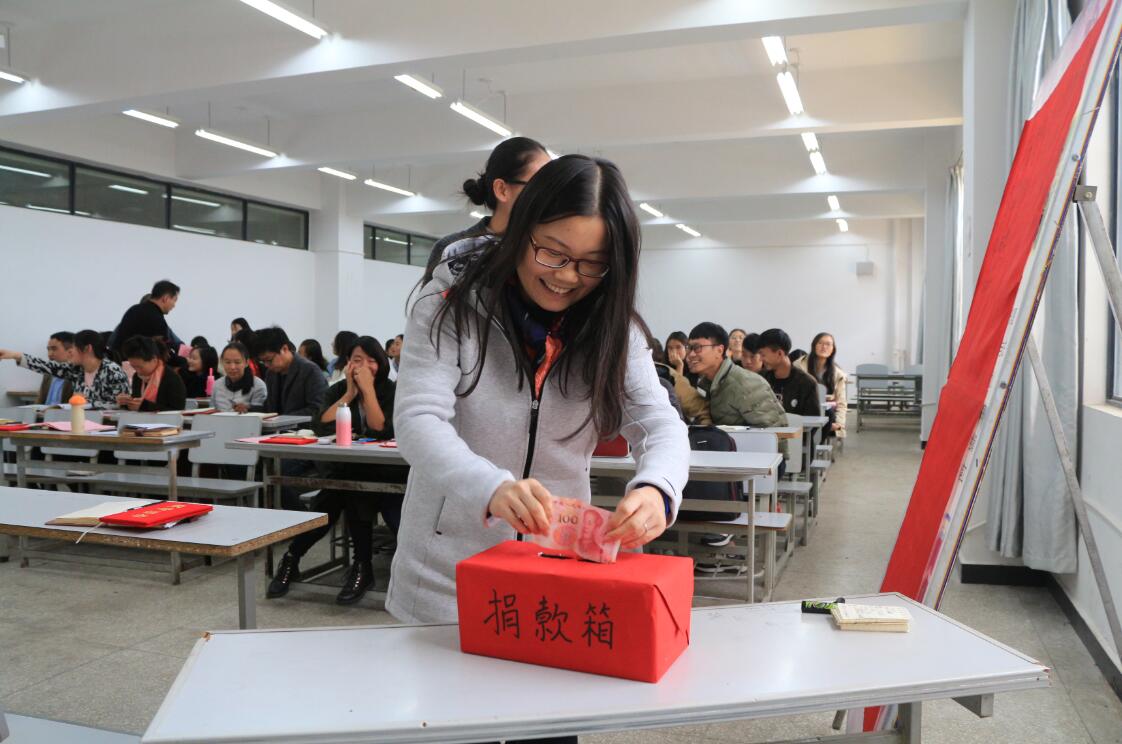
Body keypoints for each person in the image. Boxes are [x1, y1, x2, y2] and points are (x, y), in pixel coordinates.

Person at [388, 155, 689, 641]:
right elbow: (419, 421)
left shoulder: (614, 329)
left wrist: (657, 487)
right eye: (552, 253)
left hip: (560, 564)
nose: (568, 277)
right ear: (522, 230)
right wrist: (492, 487)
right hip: (448, 573)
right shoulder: (449, 306)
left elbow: (659, 422)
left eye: (592, 264)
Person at [268, 336, 405, 604]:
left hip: (387, 473)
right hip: (347, 470)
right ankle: (303, 561)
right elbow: (320, 425)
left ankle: (354, 566)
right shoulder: (340, 389)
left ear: (382, 363)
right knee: (333, 500)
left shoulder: (392, 391)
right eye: (357, 360)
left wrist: (369, 391)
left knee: (347, 495)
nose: (364, 366)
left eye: (371, 360)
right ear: (346, 363)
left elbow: (381, 429)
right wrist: (350, 394)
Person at [422, 137, 552, 283]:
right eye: (538, 186)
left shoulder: (549, 250)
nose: (548, 196)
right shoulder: (453, 249)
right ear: (502, 190)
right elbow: (430, 304)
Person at [255, 326, 328, 510]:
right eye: (263, 362)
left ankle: (300, 520)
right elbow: (270, 407)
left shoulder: (310, 371)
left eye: (269, 360)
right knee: (252, 465)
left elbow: (318, 411)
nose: (267, 365)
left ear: (285, 349)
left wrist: (282, 419)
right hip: (278, 440)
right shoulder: (272, 374)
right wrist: (250, 410)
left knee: (279, 470)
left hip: (305, 442)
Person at [685, 322, 787, 427]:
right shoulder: (706, 384)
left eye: (697, 348)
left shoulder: (746, 383)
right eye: (689, 347)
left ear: (719, 350)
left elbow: (774, 432)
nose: (691, 354)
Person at [0, 330, 129, 409]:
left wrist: (86, 402)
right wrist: (16, 355)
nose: (70, 352)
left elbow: (119, 405)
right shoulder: (76, 369)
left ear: (87, 349)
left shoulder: (112, 371)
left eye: (73, 347)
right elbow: (48, 366)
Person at [757, 328, 821, 417]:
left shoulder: (806, 383)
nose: (760, 359)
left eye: (763, 355)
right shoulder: (759, 379)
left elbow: (813, 422)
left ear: (779, 354)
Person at [795, 332, 848, 438]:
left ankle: (813, 449)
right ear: (814, 345)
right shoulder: (799, 366)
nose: (824, 347)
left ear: (833, 349)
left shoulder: (838, 374)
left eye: (828, 344)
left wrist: (839, 423)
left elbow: (841, 403)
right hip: (800, 409)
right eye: (820, 343)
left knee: (829, 415)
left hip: (825, 413)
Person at [107, 280, 180, 357]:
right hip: (134, 365)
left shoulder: (133, 309)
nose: (174, 305)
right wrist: (183, 361)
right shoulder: (157, 320)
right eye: (174, 300)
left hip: (118, 360)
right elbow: (161, 354)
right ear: (166, 298)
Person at [116, 336, 186, 412]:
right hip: (138, 421)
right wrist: (126, 403)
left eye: (140, 367)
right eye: (134, 367)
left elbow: (177, 411)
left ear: (154, 360)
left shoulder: (172, 379)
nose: (138, 371)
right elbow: (137, 403)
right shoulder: (137, 377)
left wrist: (145, 406)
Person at [664, 330, 711, 425]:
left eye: (678, 347)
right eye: (670, 348)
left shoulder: (695, 369)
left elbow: (681, 391)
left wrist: (680, 366)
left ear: (687, 348)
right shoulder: (664, 370)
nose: (674, 352)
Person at [213, 342, 267, 412]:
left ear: (246, 363)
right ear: (222, 362)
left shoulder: (258, 385)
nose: (232, 367)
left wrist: (248, 409)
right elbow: (211, 410)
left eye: (237, 362)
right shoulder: (217, 385)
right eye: (228, 362)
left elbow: (259, 415)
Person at [37, 332, 76, 404]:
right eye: (48, 349)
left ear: (70, 351)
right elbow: (40, 401)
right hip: (45, 414)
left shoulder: (79, 374)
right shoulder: (48, 373)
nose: (50, 354)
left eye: (54, 349)